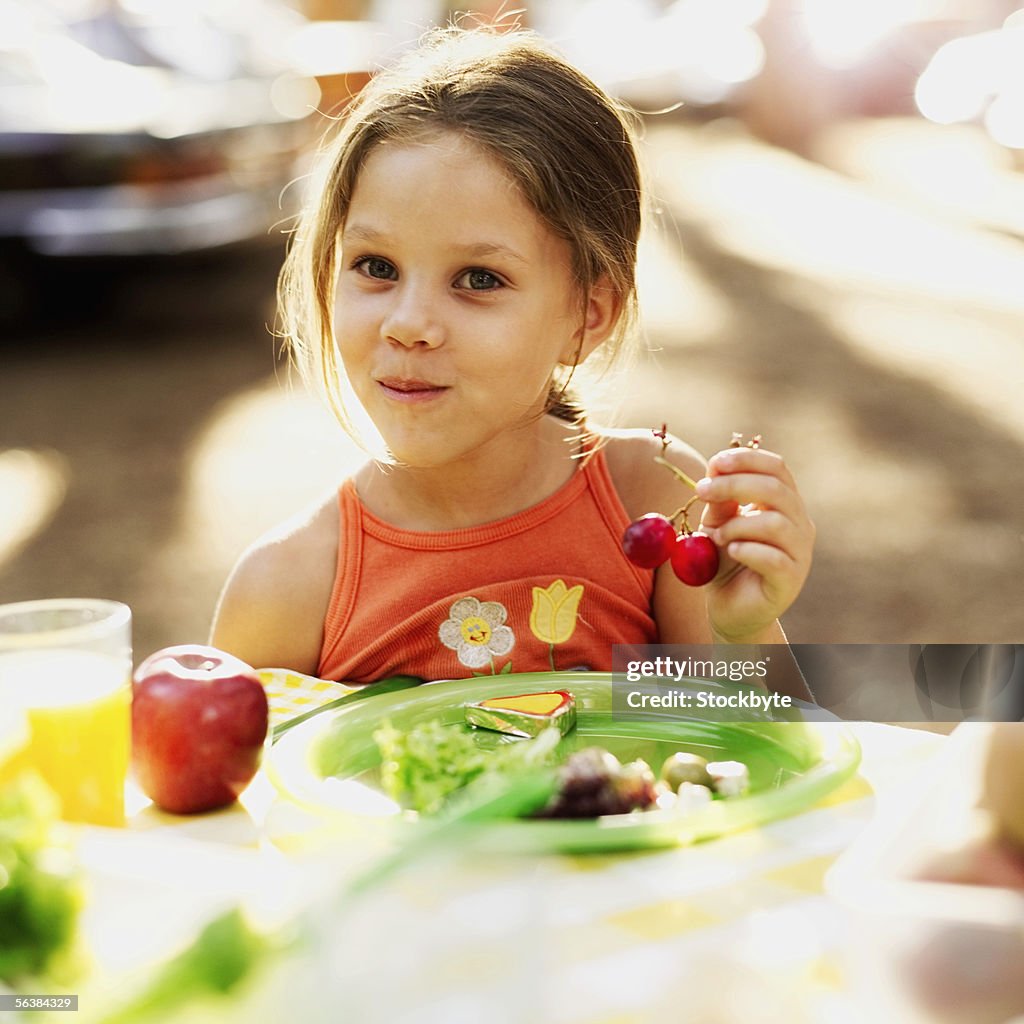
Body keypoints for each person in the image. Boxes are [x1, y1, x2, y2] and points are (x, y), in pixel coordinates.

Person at [210, 25, 815, 699]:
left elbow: (765, 761)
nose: (409, 323)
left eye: (478, 278)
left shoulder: (654, 504)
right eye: (376, 267)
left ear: (589, 314)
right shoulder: (288, 588)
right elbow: (247, 801)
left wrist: (741, 632)